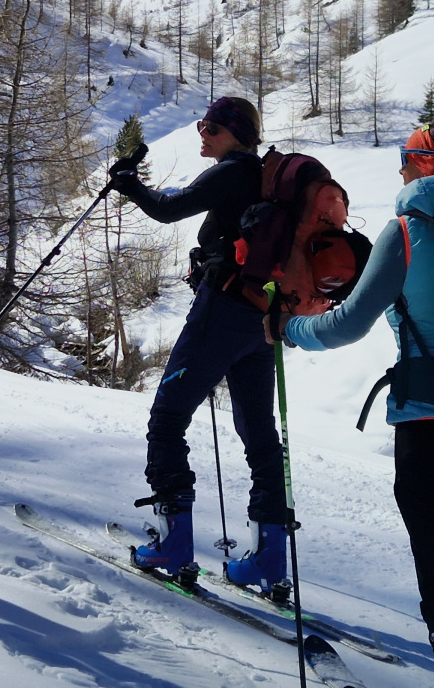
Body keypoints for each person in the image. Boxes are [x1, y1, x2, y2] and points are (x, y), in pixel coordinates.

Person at [272, 118, 434, 688]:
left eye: (406, 159)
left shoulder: (410, 229)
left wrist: (288, 329)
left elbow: (346, 324)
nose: (403, 171)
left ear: (426, 165)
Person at [109, 96, 291, 590]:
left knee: (168, 417)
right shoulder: (266, 177)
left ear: (237, 133)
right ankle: (269, 559)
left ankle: (174, 545)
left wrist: (128, 183)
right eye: (201, 125)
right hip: (261, 319)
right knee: (259, 433)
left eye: (211, 127)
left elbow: (169, 209)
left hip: (222, 314)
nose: (203, 134)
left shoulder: (233, 170)